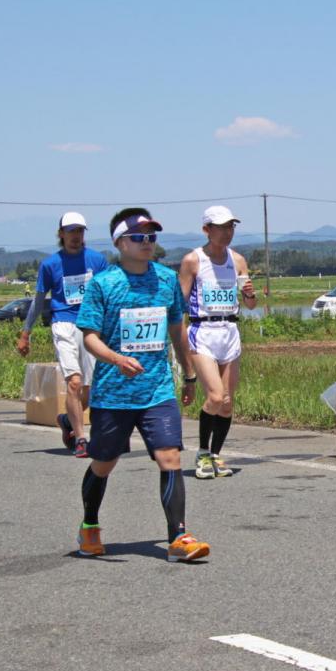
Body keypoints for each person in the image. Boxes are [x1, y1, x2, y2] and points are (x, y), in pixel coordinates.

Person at [73, 207, 208, 562]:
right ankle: (89, 526)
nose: (147, 243)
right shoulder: (103, 284)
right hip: (113, 393)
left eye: (152, 237)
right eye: (139, 237)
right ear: (120, 243)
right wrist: (116, 359)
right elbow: (89, 337)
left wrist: (189, 374)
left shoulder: (166, 279)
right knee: (104, 463)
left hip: (157, 389)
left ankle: (178, 537)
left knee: (169, 457)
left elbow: (177, 329)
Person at [16, 212, 108, 457]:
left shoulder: (97, 260)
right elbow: (38, 301)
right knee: (74, 383)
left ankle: (67, 419)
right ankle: (81, 438)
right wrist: (26, 332)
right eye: (70, 231)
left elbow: (108, 295)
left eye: (80, 231)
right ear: (61, 234)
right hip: (63, 324)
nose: (76, 236)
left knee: (89, 390)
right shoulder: (50, 264)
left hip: (91, 325)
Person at [178, 205, 257, 480]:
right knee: (214, 396)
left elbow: (250, 304)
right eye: (221, 227)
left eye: (230, 227)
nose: (227, 232)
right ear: (206, 230)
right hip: (203, 331)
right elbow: (179, 304)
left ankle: (215, 454)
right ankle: (202, 452)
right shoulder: (193, 260)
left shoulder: (238, 260)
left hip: (230, 330)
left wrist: (249, 294)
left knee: (227, 403)